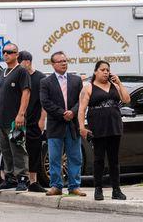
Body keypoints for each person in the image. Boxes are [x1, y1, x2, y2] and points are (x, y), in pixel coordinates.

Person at [79, 60, 130, 200]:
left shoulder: (114, 85)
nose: (106, 72)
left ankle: (116, 189)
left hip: (114, 126)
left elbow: (126, 99)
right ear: (96, 71)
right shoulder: (89, 87)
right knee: (99, 159)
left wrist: (119, 83)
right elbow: (82, 109)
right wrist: (82, 127)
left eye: (108, 70)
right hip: (98, 127)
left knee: (114, 160)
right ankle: (98, 189)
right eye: (103, 70)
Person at [40, 51, 85, 197]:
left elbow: (82, 100)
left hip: (72, 125)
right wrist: (62, 113)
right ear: (53, 64)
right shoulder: (46, 82)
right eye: (60, 61)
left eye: (65, 60)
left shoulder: (76, 80)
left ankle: (74, 186)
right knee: (54, 157)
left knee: (75, 156)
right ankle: (56, 185)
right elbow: (45, 102)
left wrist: (72, 112)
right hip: (55, 124)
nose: (63, 63)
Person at [0, 43, 31, 191]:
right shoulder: (3, 72)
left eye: (10, 52)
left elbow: (26, 93)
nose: (6, 54)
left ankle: (22, 178)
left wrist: (21, 114)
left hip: (16, 121)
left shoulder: (21, 71)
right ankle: (9, 178)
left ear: (16, 54)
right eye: (4, 52)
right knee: (6, 149)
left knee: (18, 149)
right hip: (3, 119)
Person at [18, 50, 47, 193]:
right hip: (18, 121)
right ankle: (18, 179)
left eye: (20, 62)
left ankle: (33, 181)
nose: (18, 65)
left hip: (34, 121)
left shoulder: (40, 78)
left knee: (34, 151)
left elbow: (44, 102)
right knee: (17, 150)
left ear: (27, 62)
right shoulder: (17, 76)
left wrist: (42, 119)